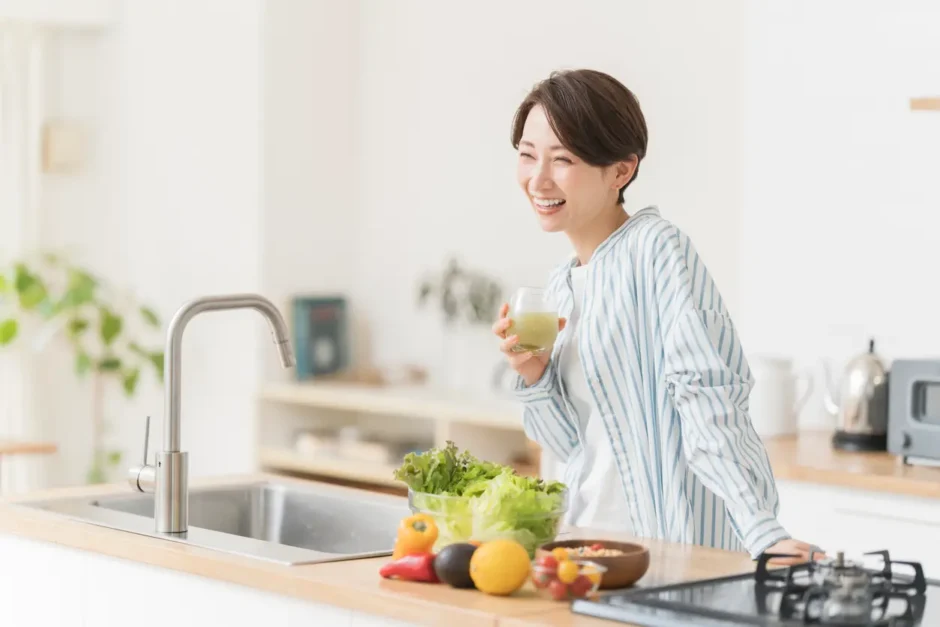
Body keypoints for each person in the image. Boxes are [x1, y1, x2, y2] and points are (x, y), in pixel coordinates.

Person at [492, 68, 819, 565]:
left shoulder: (656, 251)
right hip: (585, 547)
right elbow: (571, 445)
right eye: (527, 155)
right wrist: (534, 376)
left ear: (621, 171)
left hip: (661, 554)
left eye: (563, 160)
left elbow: (707, 393)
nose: (538, 178)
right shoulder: (560, 284)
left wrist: (760, 527)